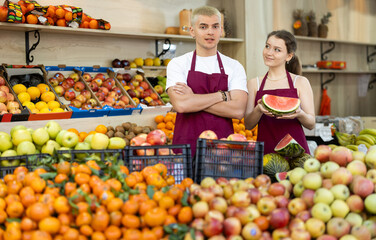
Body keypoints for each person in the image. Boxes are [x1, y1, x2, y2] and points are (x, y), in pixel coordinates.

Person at [166, 6, 248, 156]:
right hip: (186, 147)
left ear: (221, 31)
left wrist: (193, 99)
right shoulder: (178, 64)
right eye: (203, 27)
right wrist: (222, 95)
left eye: (215, 26)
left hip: (223, 149)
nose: (210, 32)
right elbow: (182, 105)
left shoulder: (234, 66)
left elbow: (237, 110)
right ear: (192, 31)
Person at [244, 30, 315, 155]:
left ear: (289, 56)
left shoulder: (300, 82)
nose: (269, 53)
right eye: (267, 46)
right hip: (266, 151)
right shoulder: (254, 83)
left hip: (296, 153)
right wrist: (259, 109)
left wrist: (299, 114)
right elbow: (248, 124)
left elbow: (311, 123)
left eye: (277, 50)